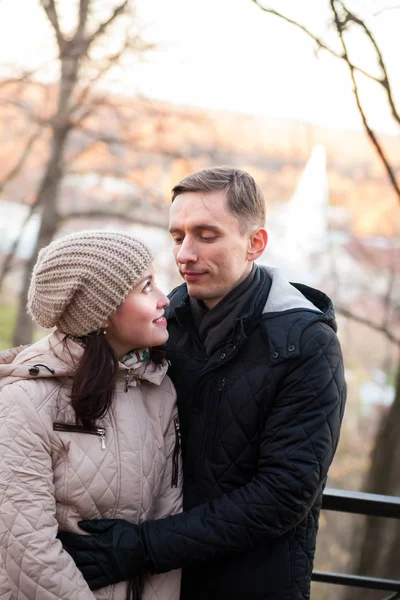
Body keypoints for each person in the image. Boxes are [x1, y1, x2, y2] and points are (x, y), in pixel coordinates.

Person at [59, 167, 347, 600]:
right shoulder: (162, 322)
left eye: (205, 235)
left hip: (249, 585)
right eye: (178, 237)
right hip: (156, 585)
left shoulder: (306, 344)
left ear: (255, 244)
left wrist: (142, 547)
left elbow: (284, 495)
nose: (185, 255)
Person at [0, 230, 182, 600]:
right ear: (102, 312)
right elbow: (27, 549)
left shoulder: (159, 391)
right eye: (146, 287)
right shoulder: (23, 402)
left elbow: (167, 521)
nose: (165, 299)